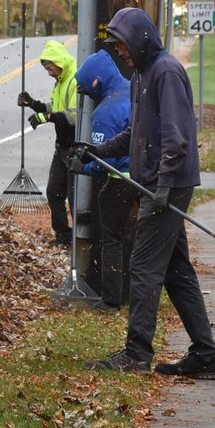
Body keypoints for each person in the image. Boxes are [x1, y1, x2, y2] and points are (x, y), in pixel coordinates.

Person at [72, 7, 215, 379]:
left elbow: (176, 136)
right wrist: (97, 150)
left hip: (167, 185)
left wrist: (165, 186)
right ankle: (205, 356)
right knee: (177, 272)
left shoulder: (166, 72)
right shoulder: (141, 75)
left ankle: (137, 354)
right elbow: (137, 134)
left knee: (142, 266)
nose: (119, 53)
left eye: (121, 45)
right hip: (158, 182)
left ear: (138, 40)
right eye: (116, 48)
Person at [72, 49, 136, 311]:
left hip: (120, 182)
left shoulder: (104, 113)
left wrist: (81, 166)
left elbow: (104, 162)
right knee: (140, 240)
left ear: (96, 83)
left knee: (112, 240)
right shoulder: (134, 89)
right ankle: (137, 293)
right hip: (147, 178)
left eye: (87, 88)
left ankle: (111, 299)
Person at [17, 40, 77, 244]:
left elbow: (73, 116)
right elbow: (53, 107)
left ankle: (81, 239)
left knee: (74, 196)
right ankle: (63, 235)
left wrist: (46, 118)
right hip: (61, 147)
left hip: (74, 146)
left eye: (50, 68)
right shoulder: (60, 80)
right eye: (47, 69)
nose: (49, 73)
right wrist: (33, 104)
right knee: (54, 192)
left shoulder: (74, 80)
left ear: (59, 62)